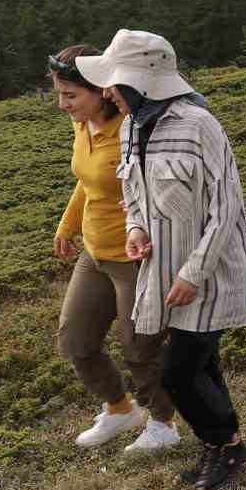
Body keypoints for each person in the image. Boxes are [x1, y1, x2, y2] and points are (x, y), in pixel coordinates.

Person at [74, 30, 246, 490]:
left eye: (114, 81)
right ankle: (221, 443)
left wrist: (194, 273)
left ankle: (226, 445)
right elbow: (132, 188)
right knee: (202, 364)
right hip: (164, 269)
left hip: (209, 271)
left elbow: (227, 206)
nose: (109, 91)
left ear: (142, 80)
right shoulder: (135, 124)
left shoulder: (199, 124)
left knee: (179, 369)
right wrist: (136, 226)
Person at [49, 45, 180, 453]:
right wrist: (67, 225)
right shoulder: (82, 125)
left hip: (135, 254)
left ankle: (163, 423)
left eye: (71, 95)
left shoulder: (131, 129)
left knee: (139, 346)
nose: (62, 104)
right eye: (58, 93)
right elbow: (88, 182)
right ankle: (121, 409)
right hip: (95, 250)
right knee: (76, 341)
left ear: (102, 91)